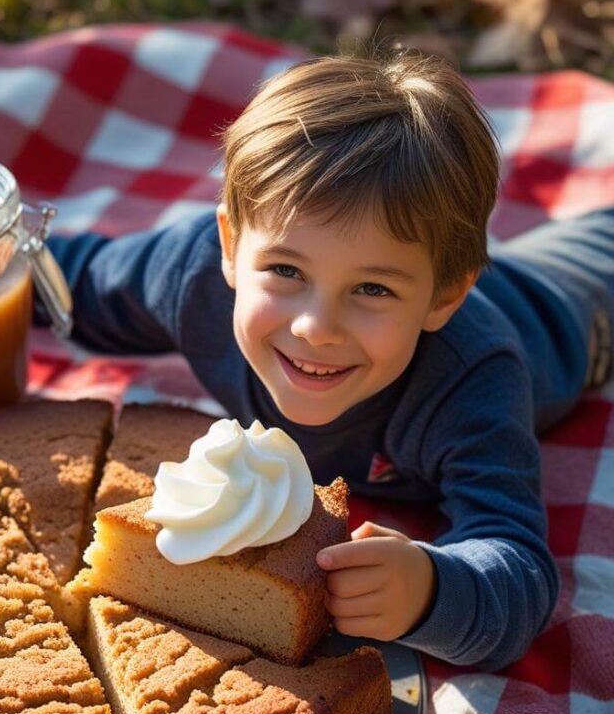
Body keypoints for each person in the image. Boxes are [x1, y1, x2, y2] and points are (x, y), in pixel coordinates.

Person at [38, 49, 614, 672]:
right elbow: (70, 279)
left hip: (577, 310)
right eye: (286, 270)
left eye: (373, 289)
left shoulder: (472, 381)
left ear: (444, 295)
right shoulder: (192, 274)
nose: (315, 327)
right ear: (231, 246)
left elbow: (517, 568)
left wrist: (431, 588)